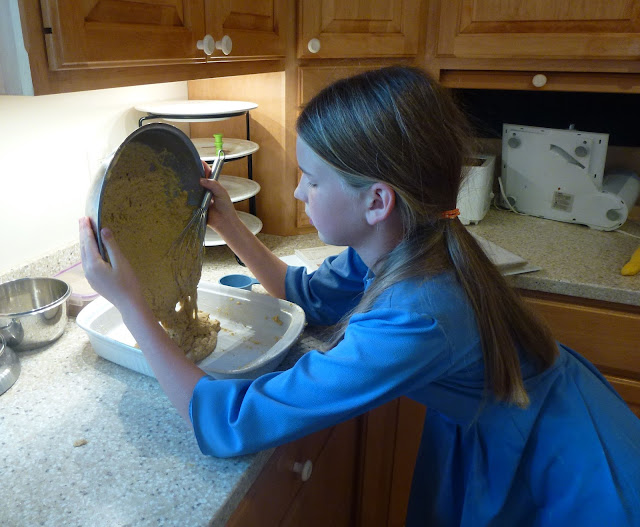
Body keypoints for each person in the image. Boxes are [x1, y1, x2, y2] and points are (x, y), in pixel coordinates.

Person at [79, 65, 640, 526]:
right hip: (516, 417)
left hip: (571, 466)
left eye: (311, 178)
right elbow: (304, 294)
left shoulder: (417, 315)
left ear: (377, 201)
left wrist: (130, 304)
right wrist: (229, 223)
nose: (298, 191)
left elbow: (233, 423)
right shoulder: (402, 241)